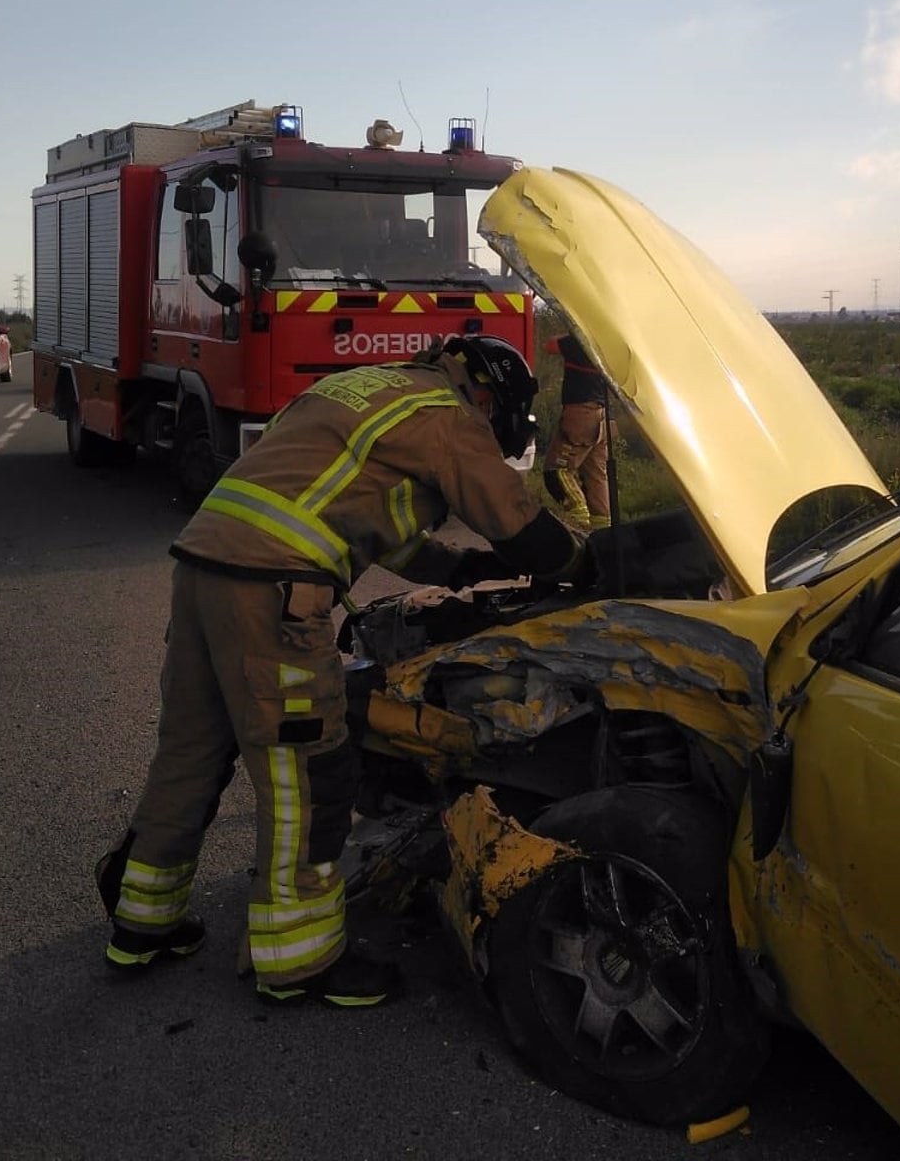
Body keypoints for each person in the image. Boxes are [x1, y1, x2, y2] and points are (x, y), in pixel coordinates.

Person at [95, 335, 589, 1008]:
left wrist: (463, 570)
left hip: (203, 571)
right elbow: (518, 522)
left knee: (191, 752)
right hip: (273, 591)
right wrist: (584, 565)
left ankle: (143, 920)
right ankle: (299, 961)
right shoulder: (447, 414)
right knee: (306, 774)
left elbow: (380, 522)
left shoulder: (367, 388)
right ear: (487, 395)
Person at [540, 332, 612, 528]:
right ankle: (602, 531)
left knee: (557, 471)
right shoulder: (607, 343)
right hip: (602, 416)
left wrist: (571, 327)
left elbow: (549, 346)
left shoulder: (581, 340)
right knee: (595, 477)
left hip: (581, 414)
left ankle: (577, 523)